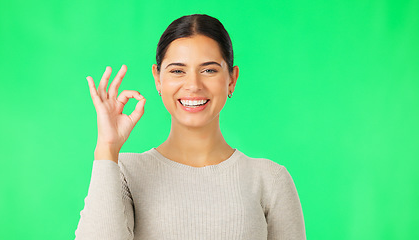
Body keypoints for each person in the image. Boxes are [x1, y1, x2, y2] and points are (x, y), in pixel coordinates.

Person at [75, 14, 306, 240]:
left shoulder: (270, 180)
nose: (193, 85)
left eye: (209, 70)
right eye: (177, 71)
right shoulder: (124, 172)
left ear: (231, 79)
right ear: (158, 78)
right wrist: (106, 148)